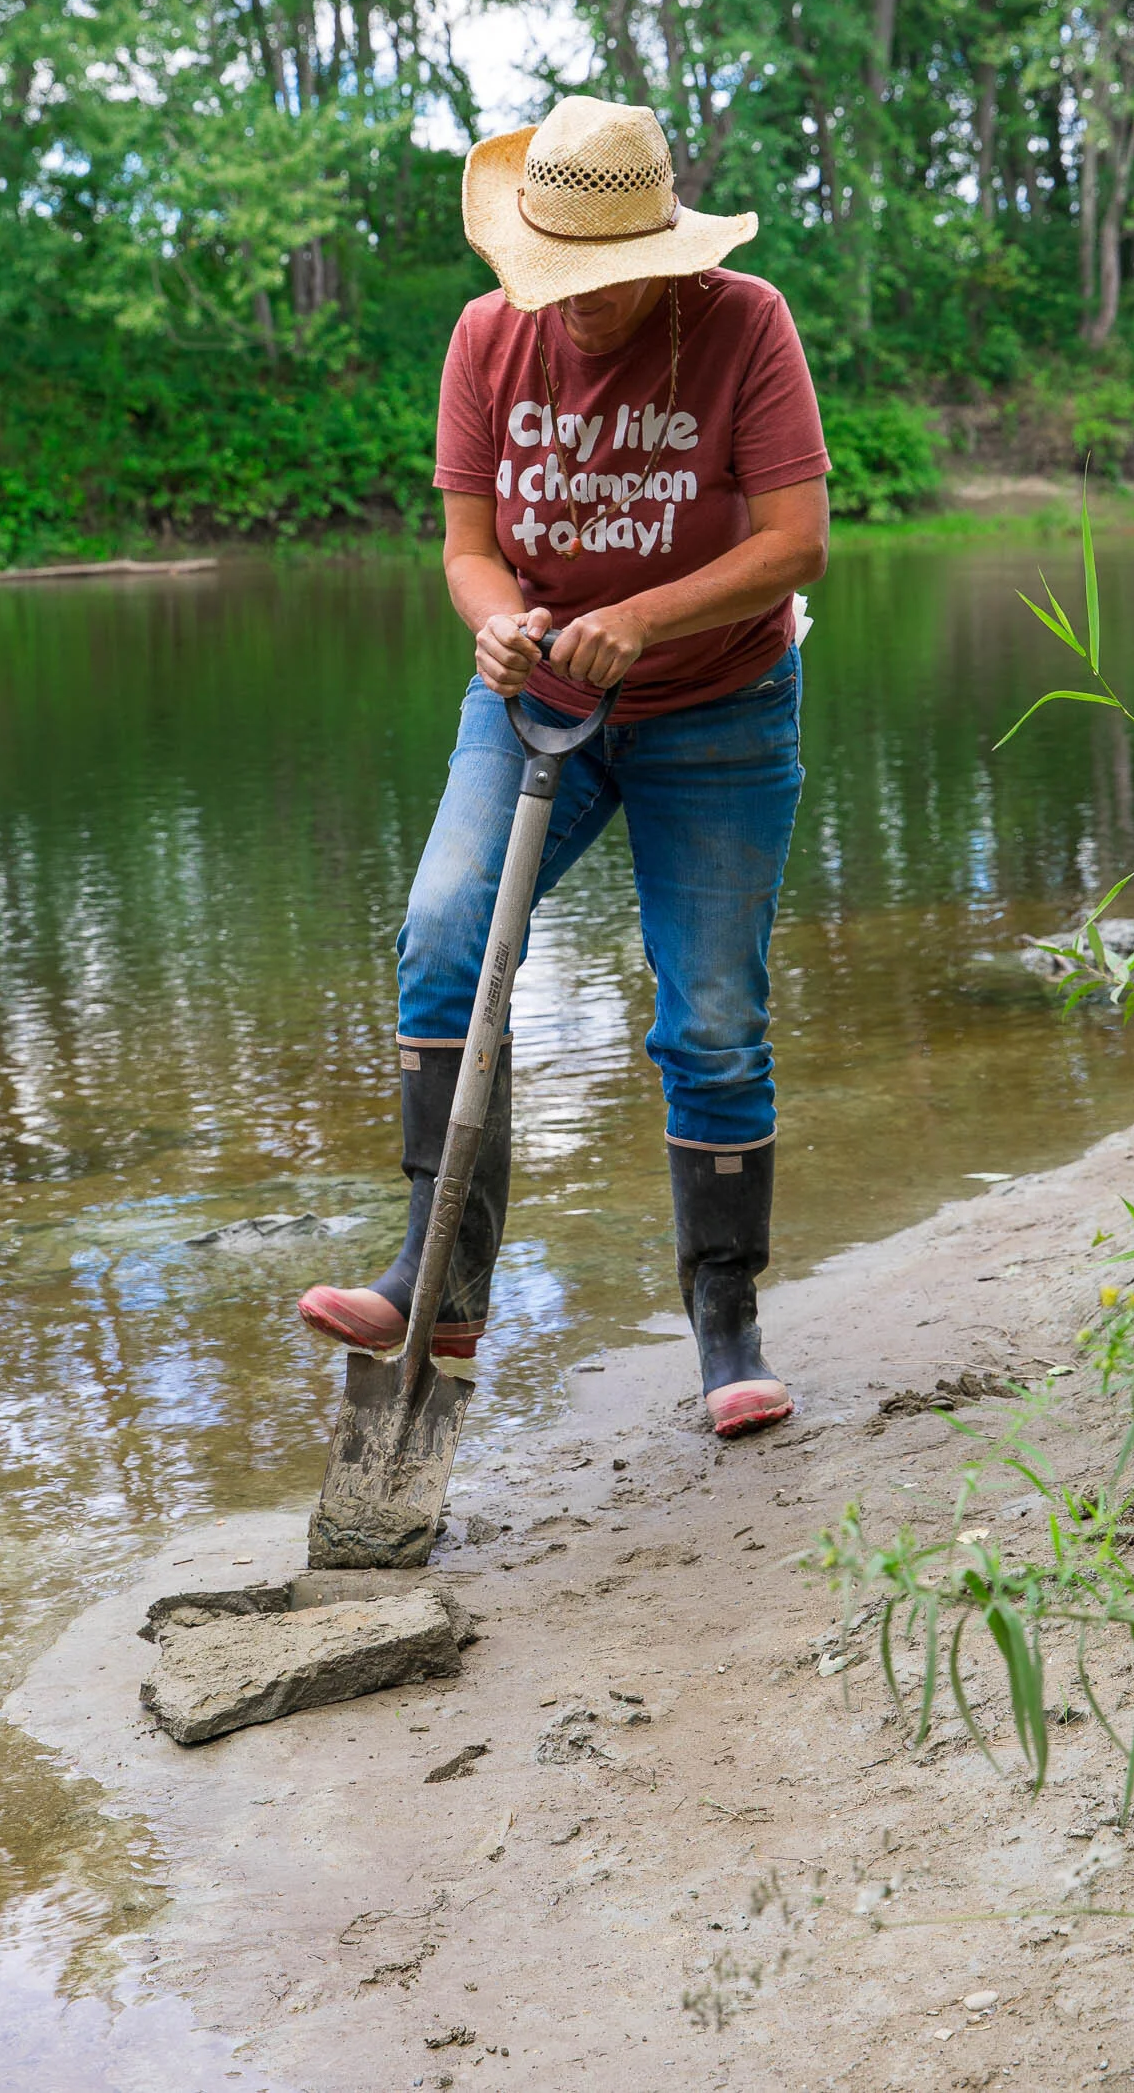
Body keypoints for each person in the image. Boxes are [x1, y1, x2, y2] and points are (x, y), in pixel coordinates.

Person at [299, 95, 830, 1437]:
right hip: (534, 700)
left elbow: (797, 544)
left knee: (709, 1012)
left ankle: (724, 1317)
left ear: (663, 257)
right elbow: (469, 547)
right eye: (556, 278)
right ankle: (441, 1276)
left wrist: (641, 621)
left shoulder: (745, 326)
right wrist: (498, 625)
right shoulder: (488, 338)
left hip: (719, 704)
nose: (574, 307)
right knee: (443, 935)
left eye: (604, 283)